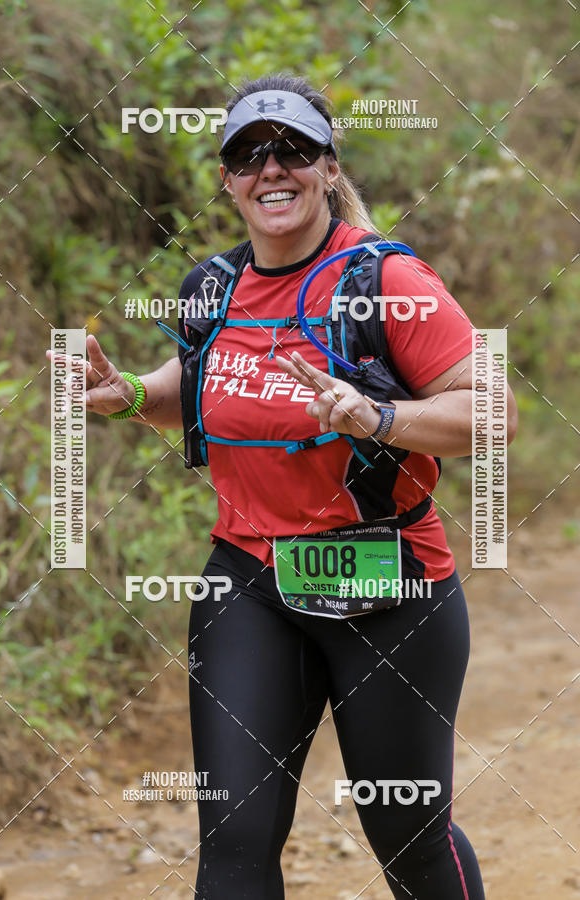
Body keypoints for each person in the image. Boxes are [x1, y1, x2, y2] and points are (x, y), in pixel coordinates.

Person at [50, 73, 517, 898]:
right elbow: (190, 390)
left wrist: (374, 418)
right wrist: (122, 394)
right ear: (227, 179)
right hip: (250, 583)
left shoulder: (387, 282)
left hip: (386, 581)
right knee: (232, 847)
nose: (273, 167)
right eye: (248, 153)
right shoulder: (213, 290)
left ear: (329, 167)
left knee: (407, 838)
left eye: (294, 148)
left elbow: (497, 413)